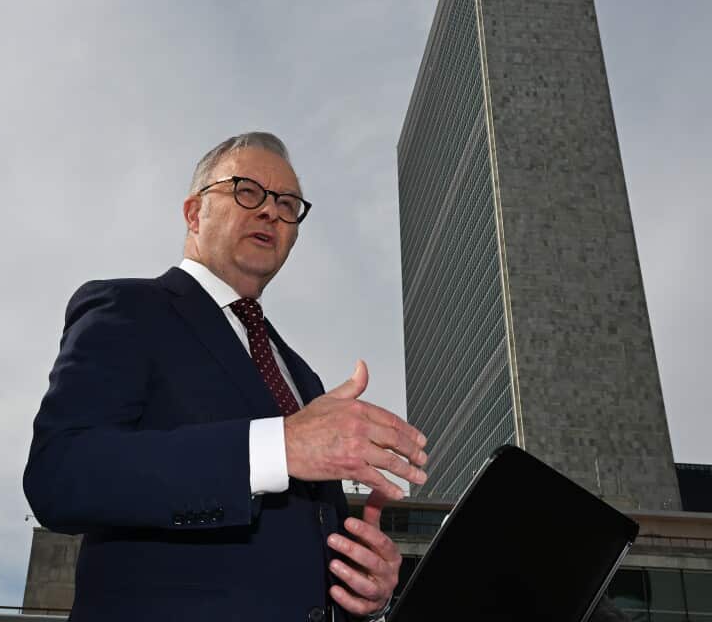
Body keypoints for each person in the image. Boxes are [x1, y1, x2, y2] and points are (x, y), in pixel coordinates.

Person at [24, 132, 429, 621]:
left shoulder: (301, 375)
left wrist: (369, 590)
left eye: (287, 203)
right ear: (195, 213)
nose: (270, 211)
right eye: (247, 190)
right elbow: (61, 475)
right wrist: (278, 447)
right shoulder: (128, 309)